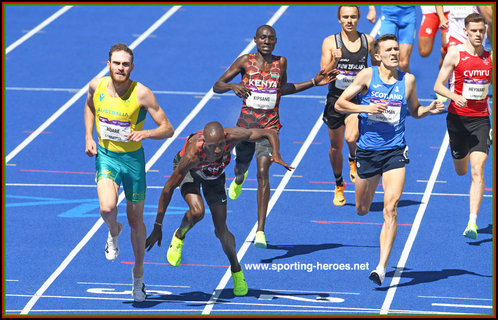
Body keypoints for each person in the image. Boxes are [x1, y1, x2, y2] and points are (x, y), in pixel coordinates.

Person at [212, 25, 336, 248]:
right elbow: (216, 86)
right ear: (255, 40)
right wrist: (232, 86)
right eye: (262, 37)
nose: (266, 41)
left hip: (270, 129)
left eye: (270, 38)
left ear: (275, 41)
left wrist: (314, 82)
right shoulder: (244, 61)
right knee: (240, 166)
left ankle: (260, 230)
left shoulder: (281, 62)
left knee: (263, 174)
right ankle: (239, 178)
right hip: (246, 129)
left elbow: (283, 88)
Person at [336, 34, 445, 285]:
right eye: (389, 50)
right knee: (363, 209)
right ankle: (356, 176)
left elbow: (415, 110)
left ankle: (381, 267)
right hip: (368, 152)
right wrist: (366, 108)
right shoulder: (367, 76)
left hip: (395, 151)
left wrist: (428, 110)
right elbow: (341, 104)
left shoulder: (408, 80)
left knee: (391, 209)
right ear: (377, 56)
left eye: (396, 48)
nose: (395, 52)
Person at [144, 121, 294, 296]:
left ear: (225, 139)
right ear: (205, 143)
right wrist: (157, 226)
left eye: (221, 145)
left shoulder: (234, 136)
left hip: (214, 176)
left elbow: (269, 132)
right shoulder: (192, 156)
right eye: (213, 147)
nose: (217, 151)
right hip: (191, 173)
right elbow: (167, 189)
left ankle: (236, 269)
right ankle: (179, 235)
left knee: (222, 231)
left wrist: (275, 153)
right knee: (197, 211)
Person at [84, 43, 174, 302]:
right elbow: (89, 105)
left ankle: (138, 275)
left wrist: (145, 133)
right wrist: (89, 136)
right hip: (107, 157)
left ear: (132, 67)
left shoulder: (142, 94)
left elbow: (168, 128)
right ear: (109, 64)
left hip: (133, 162)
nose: (121, 68)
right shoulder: (97, 86)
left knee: (136, 221)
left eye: (125, 64)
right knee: (106, 209)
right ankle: (113, 232)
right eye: (116, 63)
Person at [433, 13, 492, 240]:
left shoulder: (490, 57)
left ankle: (472, 222)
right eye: (474, 31)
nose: (478, 35)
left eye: (481, 31)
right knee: (461, 170)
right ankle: (462, 152)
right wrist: (452, 96)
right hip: (457, 119)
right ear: (466, 31)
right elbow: (438, 83)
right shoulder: (455, 53)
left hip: (480, 119)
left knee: (478, 170)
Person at [320, 5, 376, 206]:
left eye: (353, 17)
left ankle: (353, 158)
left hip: (356, 99)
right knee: (336, 147)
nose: (349, 21)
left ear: (358, 18)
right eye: (345, 17)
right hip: (335, 99)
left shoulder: (367, 41)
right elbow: (323, 76)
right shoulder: (330, 42)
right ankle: (338, 184)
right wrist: (334, 61)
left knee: (352, 136)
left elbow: (378, 65)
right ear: (339, 19)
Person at [368, 6, 417, 73]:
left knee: (404, 64)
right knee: (381, 60)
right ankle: (378, 81)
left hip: (408, 14)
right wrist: (372, 9)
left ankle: (406, 83)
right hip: (388, 15)